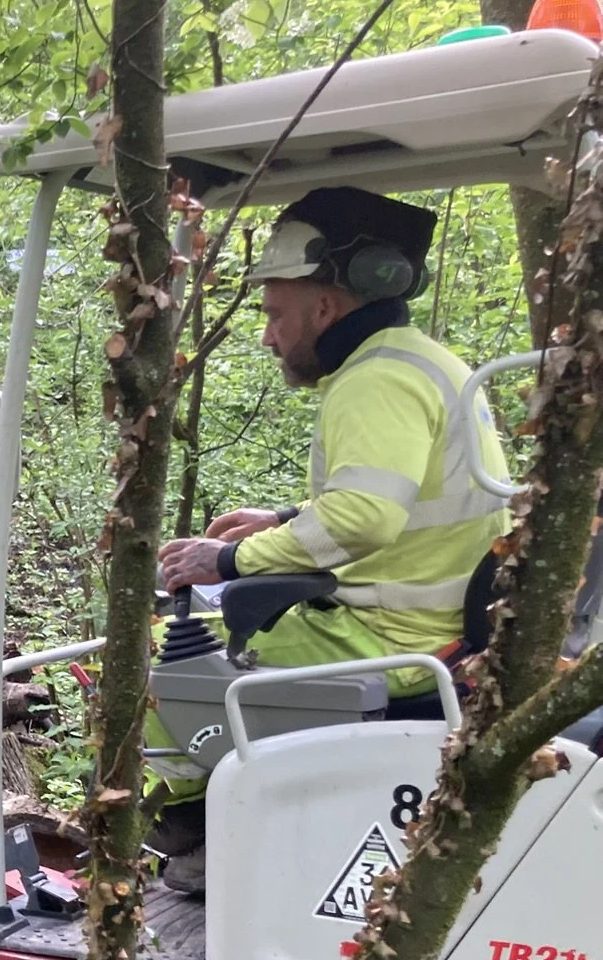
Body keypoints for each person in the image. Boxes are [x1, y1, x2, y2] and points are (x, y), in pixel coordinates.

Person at [148, 186, 512, 894]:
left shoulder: (374, 380)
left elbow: (366, 519)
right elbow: (398, 506)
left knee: (164, 685)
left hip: (392, 642)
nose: (266, 335)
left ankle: (196, 849)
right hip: (434, 626)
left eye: (275, 314)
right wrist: (285, 521)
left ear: (325, 307)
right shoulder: (423, 362)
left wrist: (226, 559)